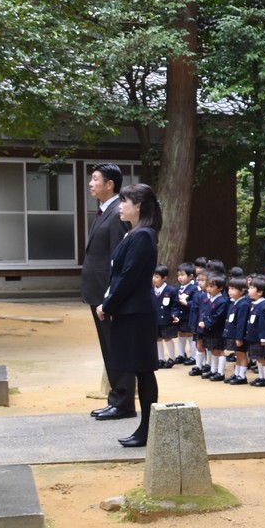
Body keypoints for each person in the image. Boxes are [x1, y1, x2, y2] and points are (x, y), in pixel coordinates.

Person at [95, 183, 162, 447]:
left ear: (139, 206)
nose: (120, 205)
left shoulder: (143, 235)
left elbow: (129, 277)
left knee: (144, 371)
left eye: (125, 201)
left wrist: (108, 304)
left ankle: (147, 429)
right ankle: (145, 428)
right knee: (139, 369)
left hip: (136, 312)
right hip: (130, 311)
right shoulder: (134, 232)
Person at [83, 163, 135, 422]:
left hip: (108, 295)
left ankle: (123, 402)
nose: (91, 184)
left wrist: (111, 297)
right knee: (109, 347)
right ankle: (117, 398)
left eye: (95, 179)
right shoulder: (105, 211)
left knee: (117, 347)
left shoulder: (117, 213)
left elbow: (119, 259)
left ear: (109, 184)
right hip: (98, 292)